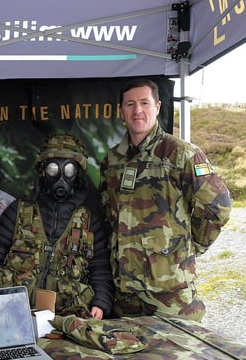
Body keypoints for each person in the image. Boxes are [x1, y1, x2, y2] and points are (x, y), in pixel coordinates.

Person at [99, 78, 232, 322]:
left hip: (169, 293)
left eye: (144, 103)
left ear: (157, 107)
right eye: (130, 104)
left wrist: (192, 246)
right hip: (125, 294)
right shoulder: (112, 160)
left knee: (177, 357)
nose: (137, 111)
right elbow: (108, 215)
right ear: (121, 111)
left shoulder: (180, 153)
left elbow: (218, 207)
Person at [0, 134, 114, 319]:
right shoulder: (19, 211)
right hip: (14, 314)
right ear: (43, 172)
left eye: (69, 170)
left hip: (67, 319)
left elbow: (100, 268)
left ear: (78, 174)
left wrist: (100, 302)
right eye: (53, 169)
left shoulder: (89, 222)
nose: (60, 177)